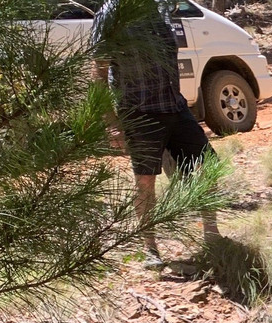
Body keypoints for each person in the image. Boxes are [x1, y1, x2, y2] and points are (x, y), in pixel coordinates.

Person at [92, 0, 219, 266]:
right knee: (146, 182)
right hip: (139, 112)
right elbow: (99, 75)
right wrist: (111, 122)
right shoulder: (110, 14)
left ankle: (212, 236)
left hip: (174, 105)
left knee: (210, 165)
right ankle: (150, 247)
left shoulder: (160, 8)